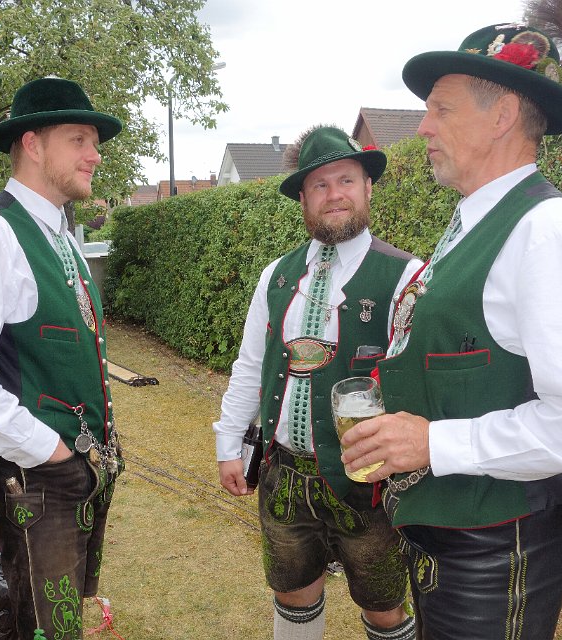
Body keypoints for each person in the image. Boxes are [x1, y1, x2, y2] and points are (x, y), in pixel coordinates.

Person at [339, 23, 562, 640]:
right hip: (453, 539)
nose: (423, 128)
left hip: (498, 551)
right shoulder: (474, 225)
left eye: (441, 109)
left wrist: (435, 443)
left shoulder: (551, 233)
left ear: (502, 115)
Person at [0, 77, 123, 640]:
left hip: (77, 472)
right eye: (79, 139)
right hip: (36, 476)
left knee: (57, 618)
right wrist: (49, 449)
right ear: (32, 144)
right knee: (43, 627)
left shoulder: (62, 235)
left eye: (94, 142)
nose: (94, 154)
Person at [213, 126, 422, 640]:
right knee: (292, 594)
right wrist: (228, 443)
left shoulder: (405, 276)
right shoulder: (275, 276)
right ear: (303, 199)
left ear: (367, 187)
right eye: (320, 185)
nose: (334, 195)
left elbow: (420, 386)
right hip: (284, 471)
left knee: (385, 608)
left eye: (346, 180)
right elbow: (250, 364)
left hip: (368, 484)